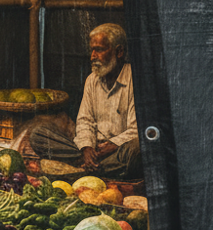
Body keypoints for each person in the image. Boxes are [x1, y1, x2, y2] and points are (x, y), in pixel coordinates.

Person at [31, 23, 142, 179]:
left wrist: (111, 146)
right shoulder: (92, 80)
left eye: (100, 50)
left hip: (117, 151)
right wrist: (87, 148)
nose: (92, 56)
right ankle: (89, 166)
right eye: (92, 50)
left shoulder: (136, 80)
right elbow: (85, 121)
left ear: (119, 52)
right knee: (39, 134)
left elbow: (136, 130)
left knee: (138, 149)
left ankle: (80, 171)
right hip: (91, 151)